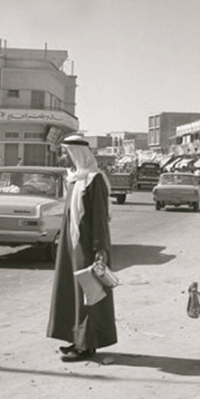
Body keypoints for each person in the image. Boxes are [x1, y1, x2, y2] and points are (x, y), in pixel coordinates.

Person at [47, 135, 117, 362]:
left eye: (65, 152)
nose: (62, 157)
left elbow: (99, 218)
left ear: (76, 153)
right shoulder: (75, 179)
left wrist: (100, 249)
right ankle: (77, 338)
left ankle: (87, 345)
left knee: (89, 293)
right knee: (73, 292)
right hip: (72, 245)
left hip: (88, 247)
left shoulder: (94, 180)